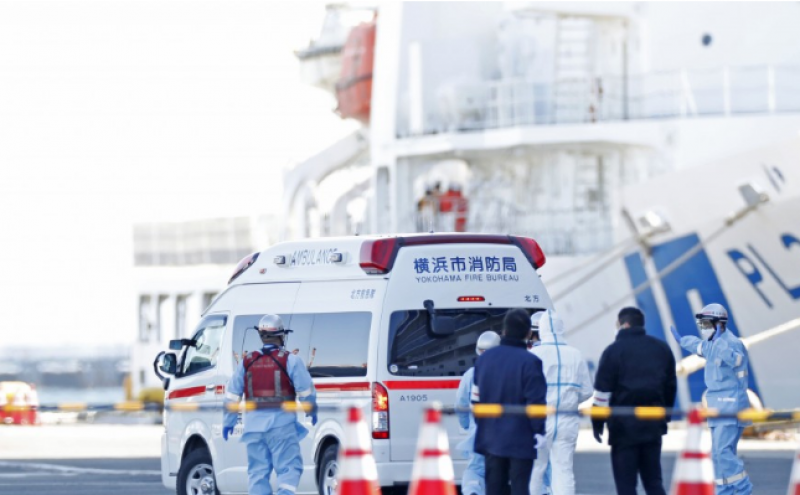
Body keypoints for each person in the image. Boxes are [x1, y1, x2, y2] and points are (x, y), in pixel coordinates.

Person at [223, 314, 317, 495]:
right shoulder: (291, 360)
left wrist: (229, 422)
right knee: (290, 468)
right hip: (281, 427)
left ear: (261, 336)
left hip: (253, 429)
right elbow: (306, 391)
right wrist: (311, 410)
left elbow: (232, 395)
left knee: (257, 473)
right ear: (281, 335)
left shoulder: (247, 361)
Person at [669, 303, 753, 495]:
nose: (704, 328)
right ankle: (724, 490)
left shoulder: (731, 343)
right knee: (717, 453)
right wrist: (683, 341)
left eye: (707, 324)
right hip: (718, 406)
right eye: (702, 324)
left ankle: (743, 489)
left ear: (719, 324)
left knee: (723, 452)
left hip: (731, 406)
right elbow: (699, 347)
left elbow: (736, 360)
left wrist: (719, 343)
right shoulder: (713, 343)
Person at [592, 307, 677, 495]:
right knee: (653, 482)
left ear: (624, 324)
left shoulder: (613, 351)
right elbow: (670, 386)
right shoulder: (661, 348)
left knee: (626, 486)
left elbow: (602, 393)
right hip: (653, 425)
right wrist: (666, 415)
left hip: (623, 427)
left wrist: (597, 422)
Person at [472, 308, 548, 495]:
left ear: (504, 331)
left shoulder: (484, 359)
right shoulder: (531, 362)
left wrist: (483, 424)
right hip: (521, 438)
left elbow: (475, 401)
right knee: (520, 487)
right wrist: (539, 431)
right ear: (528, 333)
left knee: (494, 488)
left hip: (491, 436)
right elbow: (536, 403)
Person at [529, 310, 593, 495]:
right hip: (567, 419)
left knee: (536, 470)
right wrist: (570, 400)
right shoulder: (575, 354)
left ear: (541, 329)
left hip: (539, 421)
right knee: (563, 470)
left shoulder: (534, 354)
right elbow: (587, 391)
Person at [455, 331, 501, 495]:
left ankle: (472, 490)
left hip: (478, 434)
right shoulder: (508, 373)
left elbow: (461, 405)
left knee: (475, 469)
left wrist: (468, 426)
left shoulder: (470, 375)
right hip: (505, 435)